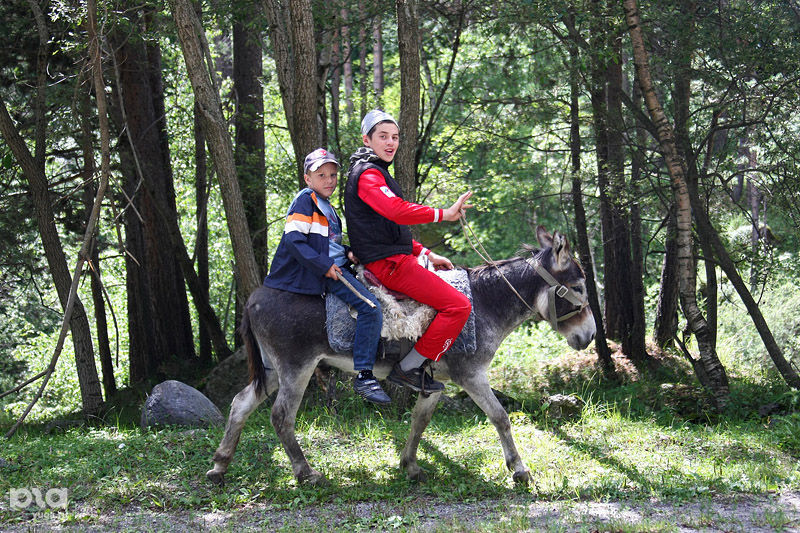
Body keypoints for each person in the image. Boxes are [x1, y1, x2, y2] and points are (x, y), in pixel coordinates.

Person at [344, 109, 474, 394]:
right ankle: (409, 369)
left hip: (395, 259)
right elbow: (396, 211)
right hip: (390, 266)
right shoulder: (368, 175)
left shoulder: (376, 173)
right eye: (383, 137)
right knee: (459, 306)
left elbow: (390, 229)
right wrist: (444, 214)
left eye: (395, 137)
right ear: (366, 140)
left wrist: (427, 254)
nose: (391, 143)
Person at [264, 148, 390, 405]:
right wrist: (324, 266)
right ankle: (365, 375)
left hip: (336, 264)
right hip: (325, 272)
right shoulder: (305, 201)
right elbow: (295, 240)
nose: (329, 180)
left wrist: (347, 252)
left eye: (332, 175)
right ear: (307, 178)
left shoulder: (327, 206)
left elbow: (327, 244)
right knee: (370, 308)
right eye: (321, 175)